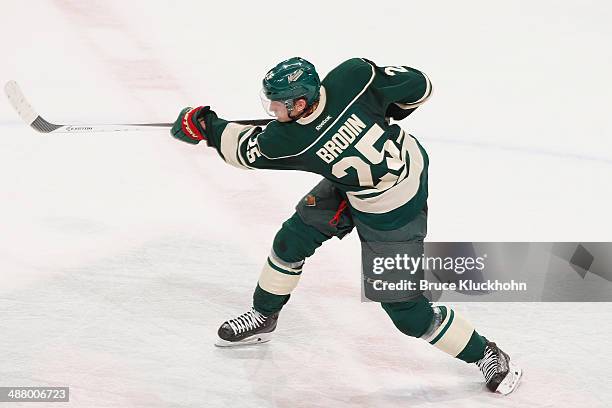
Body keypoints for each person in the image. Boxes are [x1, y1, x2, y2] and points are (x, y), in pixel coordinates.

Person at [170, 57, 522, 394]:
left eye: (279, 105)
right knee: (291, 242)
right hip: (362, 181)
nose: (273, 112)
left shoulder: (285, 141)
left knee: (408, 313)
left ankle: (487, 354)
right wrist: (385, 108)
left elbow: (244, 150)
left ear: (302, 102)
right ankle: (264, 316)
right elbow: (420, 86)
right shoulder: (354, 76)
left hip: (396, 209)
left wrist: (203, 125)